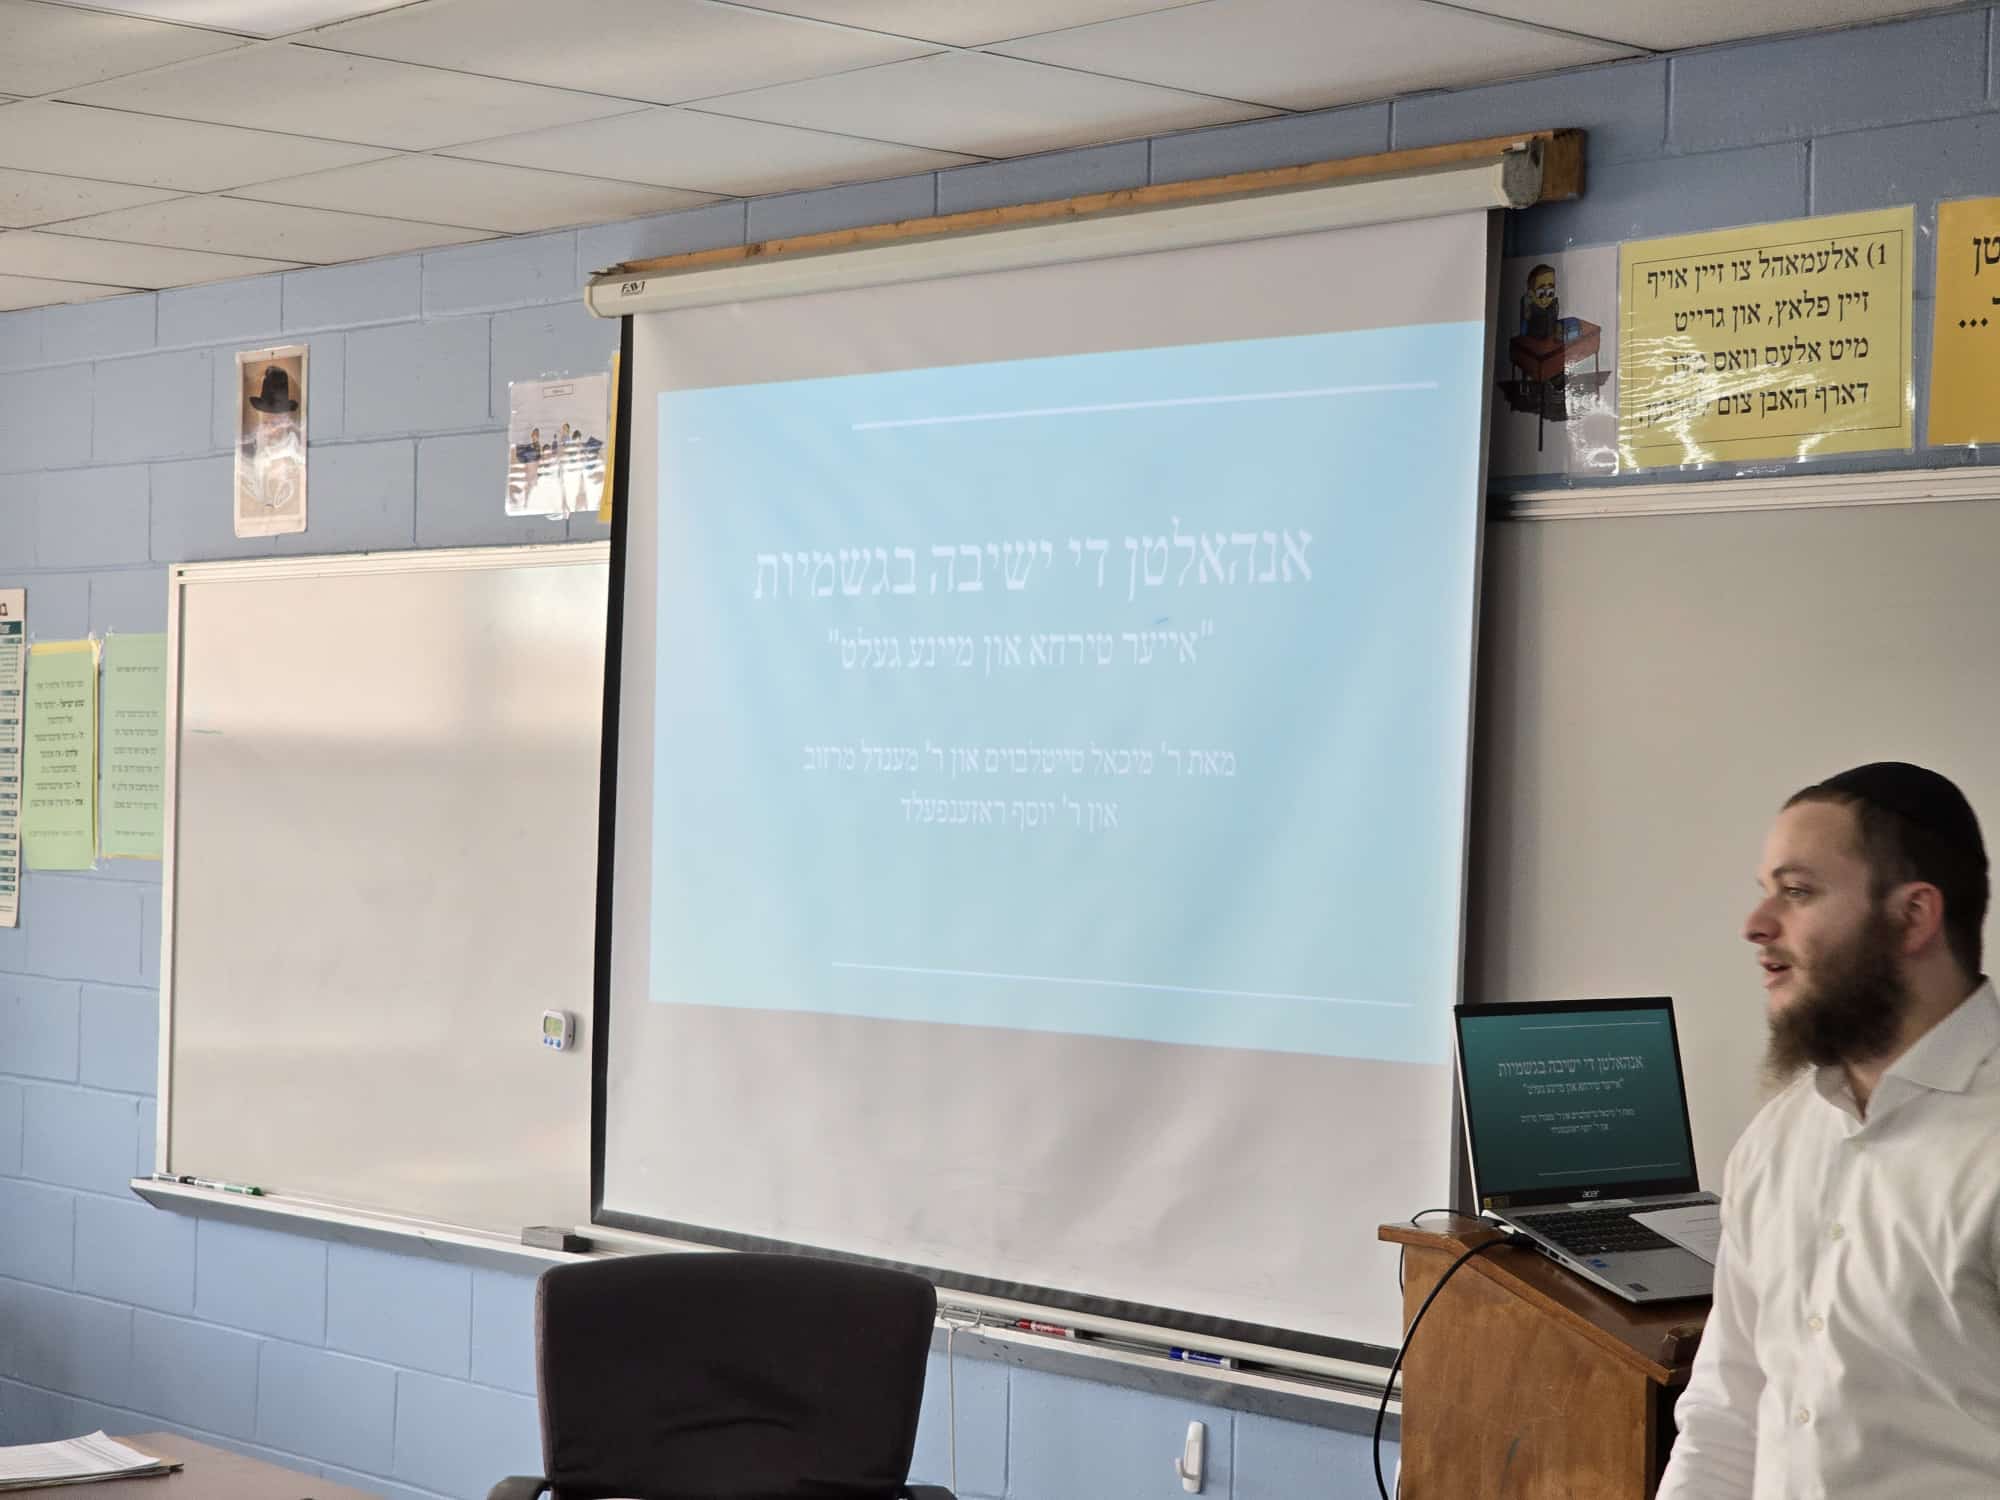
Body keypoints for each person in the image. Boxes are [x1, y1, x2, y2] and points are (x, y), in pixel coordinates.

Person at [1658, 761, 2000, 1498]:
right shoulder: (1777, 1140)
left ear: (1913, 916)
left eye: (1798, 891)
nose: (1756, 925)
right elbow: (1727, 1416)